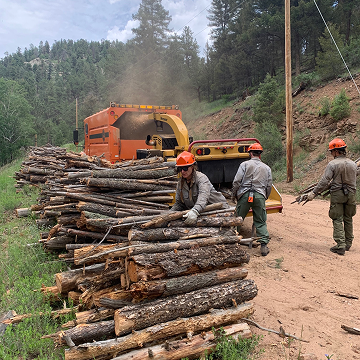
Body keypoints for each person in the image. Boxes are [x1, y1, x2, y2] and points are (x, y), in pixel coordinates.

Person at [306, 138, 358, 255]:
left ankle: (340, 245)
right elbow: (355, 175)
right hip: (351, 194)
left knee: (337, 218)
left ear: (336, 151)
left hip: (338, 194)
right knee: (348, 218)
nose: (331, 154)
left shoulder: (332, 164)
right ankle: (348, 244)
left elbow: (325, 181)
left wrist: (314, 193)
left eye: (331, 151)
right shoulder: (352, 164)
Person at [232, 142, 272, 256]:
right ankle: (263, 245)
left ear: (250, 153)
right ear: (260, 154)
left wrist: (234, 195)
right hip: (259, 195)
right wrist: (265, 196)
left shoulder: (244, 165)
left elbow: (236, 181)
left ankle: (232, 242)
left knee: (237, 219)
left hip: (244, 195)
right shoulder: (267, 168)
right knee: (260, 220)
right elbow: (269, 185)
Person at [171, 151, 229, 225]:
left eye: (185, 168)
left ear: (192, 167)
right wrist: (169, 215)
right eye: (180, 168)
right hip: (202, 212)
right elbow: (179, 203)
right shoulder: (181, 183)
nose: (182, 171)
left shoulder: (201, 178)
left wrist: (195, 211)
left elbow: (203, 197)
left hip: (218, 211)